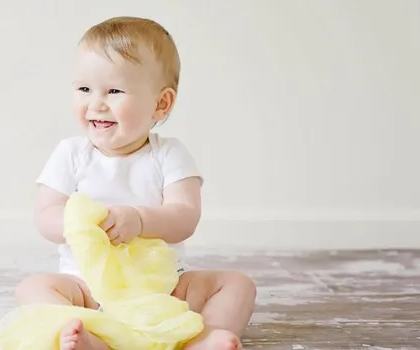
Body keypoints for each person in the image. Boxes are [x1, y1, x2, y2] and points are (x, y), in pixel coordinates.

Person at [14, 16, 257, 350]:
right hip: (87, 287)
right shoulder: (71, 153)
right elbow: (45, 214)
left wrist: (140, 220)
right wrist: (82, 224)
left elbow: (185, 216)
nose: (96, 103)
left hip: (161, 289)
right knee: (32, 288)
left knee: (237, 284)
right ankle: (91, 336)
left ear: (161, 103)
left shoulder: (169, 154)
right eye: (84, 89)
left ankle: (201, 339)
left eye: (114, 91)